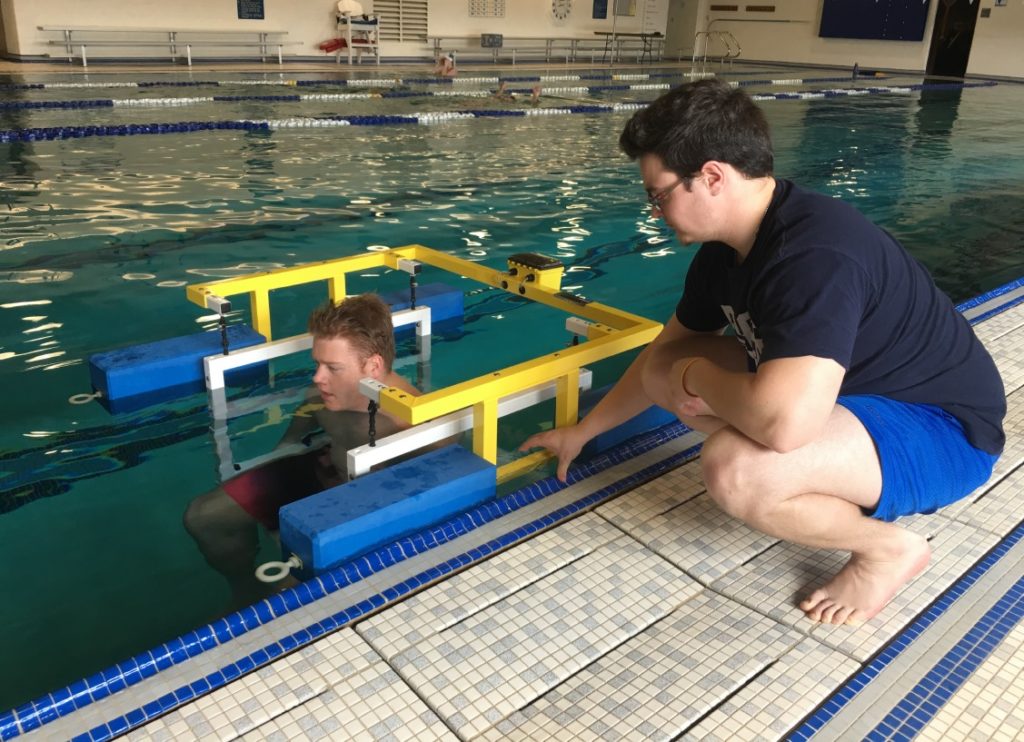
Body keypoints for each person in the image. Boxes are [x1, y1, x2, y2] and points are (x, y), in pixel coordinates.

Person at [521, 79, 1006, 627]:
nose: (653, 212)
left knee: (737, 469)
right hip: (855, 404)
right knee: (665, 365)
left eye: (658, 194)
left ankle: (886, 549)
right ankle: (824, 476)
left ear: (711, 177)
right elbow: (665, 355)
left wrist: (701, 376)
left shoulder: (813, 254)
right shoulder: (726, 253)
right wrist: (584, 432)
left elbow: (784, 427)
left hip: (940, 430)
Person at [184, 294, 418, 607]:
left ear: (373, 366)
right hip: (317, 470)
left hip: (358, 507)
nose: (317, 377)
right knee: (203, 516)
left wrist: (311, 531)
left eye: (332, 368)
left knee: (283, 599)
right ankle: (242, 587)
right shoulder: (326, 391)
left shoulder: (412, 423)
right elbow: (306, 413)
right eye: (317, 363)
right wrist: (283, 453)